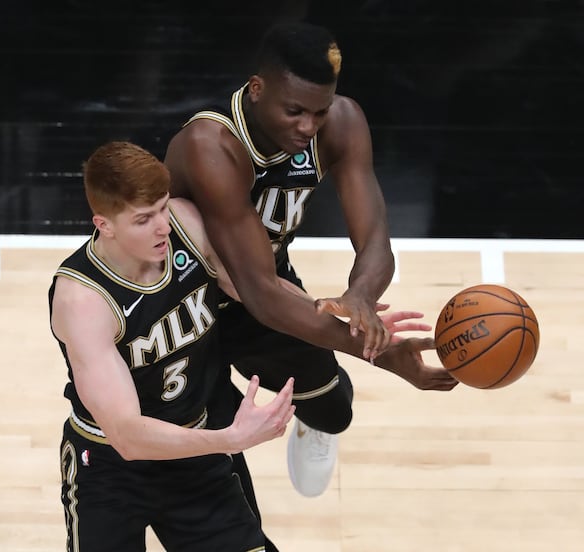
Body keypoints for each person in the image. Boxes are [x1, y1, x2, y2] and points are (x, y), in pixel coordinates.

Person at [164, 20, 458, 499]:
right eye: (295, 111)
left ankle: (311, 421)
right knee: (204, 453)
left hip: (265, 283)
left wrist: (360, 295)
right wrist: (378, 351)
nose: (308, 126)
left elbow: (376, 238)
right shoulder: (212, 145)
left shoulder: (341, 123)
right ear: (256, 89)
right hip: (181, 299)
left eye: (318, 112)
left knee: (334, 410)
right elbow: (259, 294)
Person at [48, 140, 297, 551]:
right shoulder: (82, 301)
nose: (163, 226)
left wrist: (335, 314)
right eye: (144, 219)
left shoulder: (184, 224)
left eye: (162, 207)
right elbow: (127, 435)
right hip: (109, 468)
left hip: (191, 451)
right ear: (104, 224)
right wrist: (230, 439)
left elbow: (258, 290)